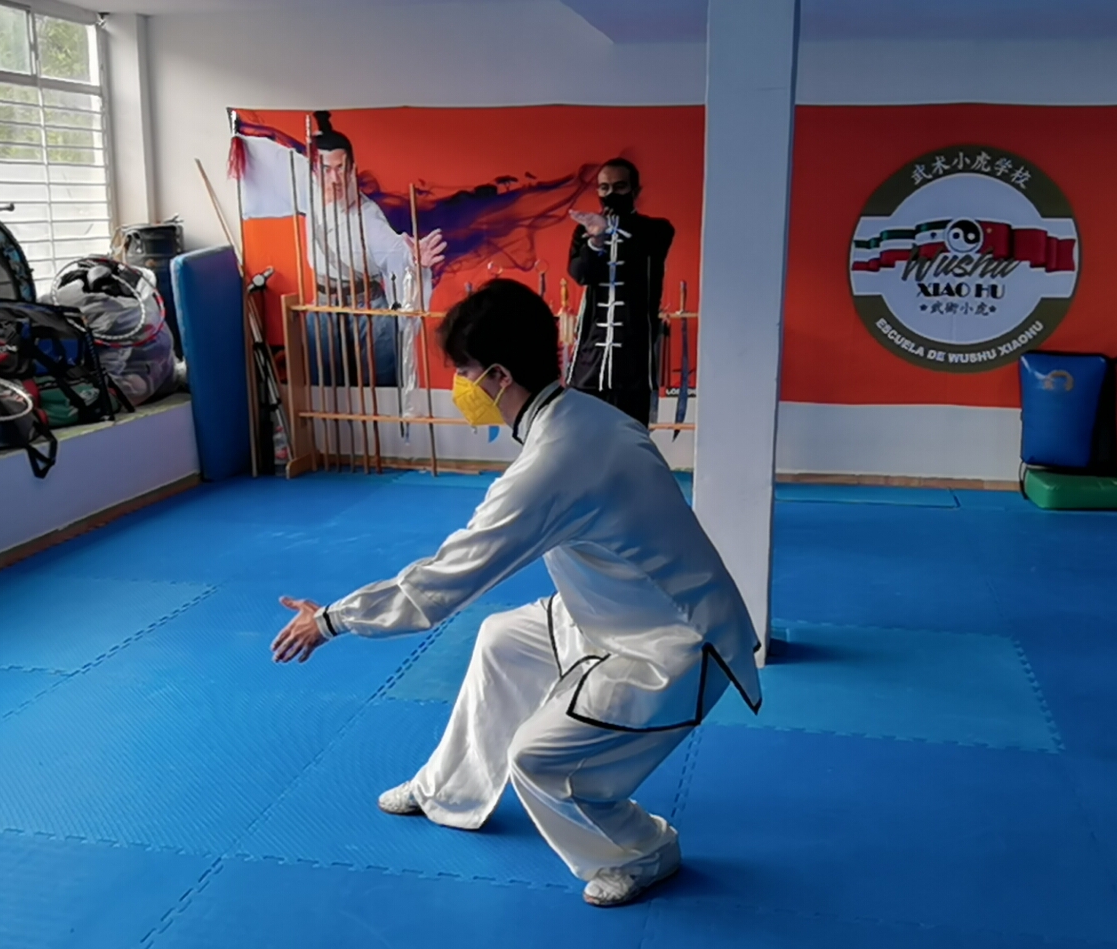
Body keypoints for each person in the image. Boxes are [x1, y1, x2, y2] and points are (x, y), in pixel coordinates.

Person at [270, 279, 762, 907]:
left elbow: (444, 582)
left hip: (677, 645)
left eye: (465, 372)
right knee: (502, 639)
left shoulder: (555, 461)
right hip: (615, 614)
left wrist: (332, 620)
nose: (460, 386)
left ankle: (643, 851)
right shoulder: (583, 415)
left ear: (499, 376)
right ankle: (450, 788)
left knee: (539, 761)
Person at [303, 111, 446, 389]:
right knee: (326, 391)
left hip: (368, 308)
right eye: (326, 169)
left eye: (341, 168)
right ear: (315, 171)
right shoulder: (311, 204)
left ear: (352, 169)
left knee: (381, 387)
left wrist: (414, 260)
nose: (335, 178)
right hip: (323, 305)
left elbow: (395, 250)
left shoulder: (367, 215)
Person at [566, 158, 676, 427]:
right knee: (585, 435)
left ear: (635, 191)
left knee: (629, 437)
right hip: (590, 360)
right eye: (604, 188)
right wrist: (597, 239)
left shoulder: (656, 230)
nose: (611, 194)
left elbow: (646, 245)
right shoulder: (584, 232)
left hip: (633, 361)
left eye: (619, 186)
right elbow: (581, 274)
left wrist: (612, 228)